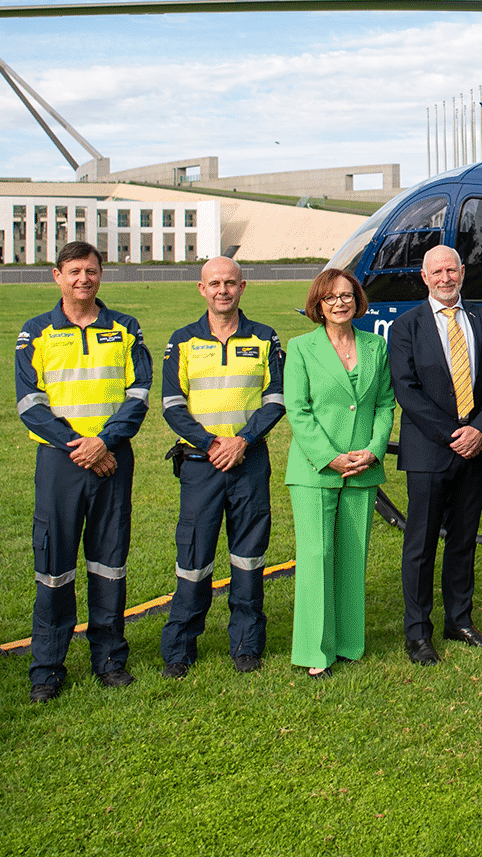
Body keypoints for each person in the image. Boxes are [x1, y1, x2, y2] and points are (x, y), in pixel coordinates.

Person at [13, 240, 150, 703]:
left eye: (90, 271)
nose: (82, 279)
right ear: (57, 276)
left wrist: (105, 443)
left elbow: (139, 394)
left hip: (112, 459)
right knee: (54, 567)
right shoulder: (35, 332)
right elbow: (30, 404)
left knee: (108, 563)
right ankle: (47, 668)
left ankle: (109, 659)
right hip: (61, 462)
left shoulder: (125, 328)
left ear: (101, 275)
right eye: (73, 271)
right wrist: (83, 447)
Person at [158, 256, 285, 678]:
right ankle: (180, 648)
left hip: (248, 462)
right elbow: (172, 406)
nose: (222, 290)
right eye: (214, 283)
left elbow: (276, 401)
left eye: (230, 283)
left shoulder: (266, 338)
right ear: (201, 289)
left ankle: (246, 644)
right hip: (201, 464)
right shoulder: (182, 341)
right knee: (193, 557)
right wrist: (213, 444)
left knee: (248, 556)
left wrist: (241, 441)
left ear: (242, 287)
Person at [387, 245, 482, 666]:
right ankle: (417, 633)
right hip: (429, 450)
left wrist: (478, 428)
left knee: (463, 540)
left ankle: (459, 621)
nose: (445, 278)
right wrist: (451, 434)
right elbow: (407, 390)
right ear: (424, 277)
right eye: (436, 271)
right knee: (420, 545)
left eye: (451, 270)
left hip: (476, 448)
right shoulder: (406, 327)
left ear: (463, 272)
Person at [282, 267, 395, 677]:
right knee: (317, 556)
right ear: (318, 304)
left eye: (347, 295)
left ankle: (348, 643)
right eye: (331, 298)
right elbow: (297, 409)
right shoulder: (300, 348)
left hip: (363, 467)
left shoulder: (375, 346)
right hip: (315, 469)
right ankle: (315, 652)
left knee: (352, 557)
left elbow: (385, 404)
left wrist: (374, 450)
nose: (340, 303)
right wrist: (329, 456)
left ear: (358, 299)